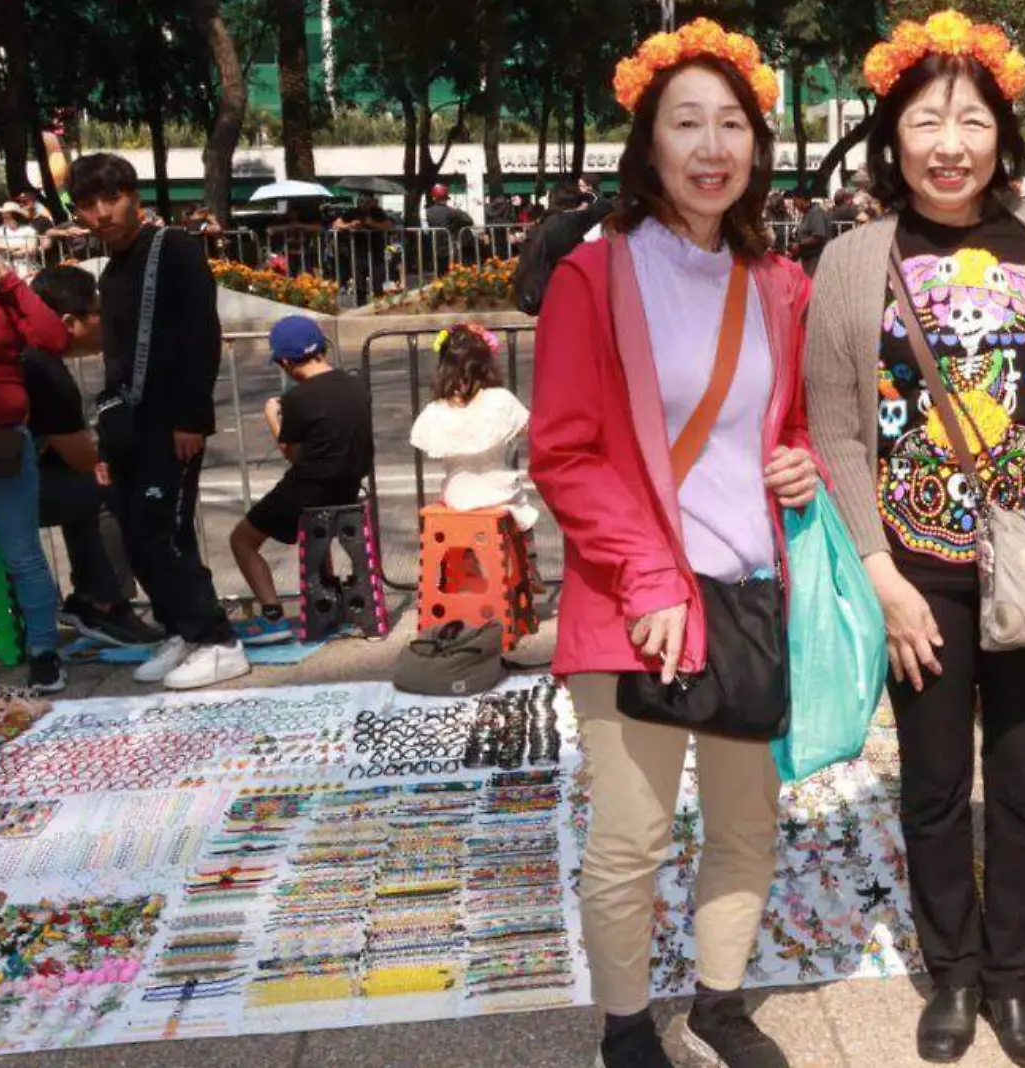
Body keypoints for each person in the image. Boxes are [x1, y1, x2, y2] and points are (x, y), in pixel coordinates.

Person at [805, 13, 1025, 1066]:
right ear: (892, 138)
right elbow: (836, 425)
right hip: (914, 572)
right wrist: (879, 574)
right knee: (934, 788)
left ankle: (1014, 984)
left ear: (1000, 133)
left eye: (969, 120)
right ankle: (953, 973)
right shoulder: (852, 258)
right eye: (926, 122)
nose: (948, 143)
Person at [528, 21, 819, 1068]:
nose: (709, 146)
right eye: (684, 123)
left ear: (755, 145)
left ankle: (720, 1005)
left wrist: (801, 463)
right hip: (630, 606)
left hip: (743, 596)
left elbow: (791, 424)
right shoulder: (593, 276)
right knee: (630, 842)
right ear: (647, 144)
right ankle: (623, 1030)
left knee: (746, 827)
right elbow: (562, 452)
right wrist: (648, 574)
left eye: (729, 124)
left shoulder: (781, 283)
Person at [69, 152, 247, 690]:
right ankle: (184, 629)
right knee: (143, 529)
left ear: (134, 197)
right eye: (88, 204)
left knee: (156, 534)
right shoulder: (116, 266)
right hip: (131, 426)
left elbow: (201, 335)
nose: (101, 213)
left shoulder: (172, 248)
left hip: (173, 421)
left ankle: (218, 640)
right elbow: (118, 356)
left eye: (112, 199)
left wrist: (190, 416)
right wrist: (106, 442)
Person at [24, 265, 163, 648]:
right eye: (97, 311)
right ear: (70, 321)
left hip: (6, 482)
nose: (104, 321)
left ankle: (91, 597)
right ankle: (104, 603)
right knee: (100, 492)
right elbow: (83, 458)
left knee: (82, 487)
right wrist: (97, 462)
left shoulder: (25, 356)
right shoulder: (44, 371)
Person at [229, 316, 373, 646]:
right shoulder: (355, 385)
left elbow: (292, 453)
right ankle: (327, 601)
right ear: (322, 348)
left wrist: (272, 417)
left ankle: (272, 614)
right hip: (348, 486)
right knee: (316, 534)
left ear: (284, 362)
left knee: (242, 540)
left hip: (306, 489)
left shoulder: (297, 399)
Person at [0, 249, 69, 693]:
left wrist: (10, 281)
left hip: (4, 444)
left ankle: (43, 651)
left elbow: (53, 339)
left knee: (22, 553)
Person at [409, 323, 539, 535]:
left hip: (457, 494)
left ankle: (464, 562)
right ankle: (526, 562)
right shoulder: (499, 400)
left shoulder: (435, 411)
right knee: (522, 509)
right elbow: (529, 427)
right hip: (498, 491)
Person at [331, 192, 395, 304]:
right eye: (361, 201)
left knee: (377, 280)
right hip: (358, 251)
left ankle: (378, 304)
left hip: (376, 251)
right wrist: (350, 225)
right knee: (359, 281)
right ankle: (361, 304)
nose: (363, 204)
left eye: (366, 201)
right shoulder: (353, 212)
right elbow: (336, 225)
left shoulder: (377, 212)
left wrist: (372, 223)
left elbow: (388, 225)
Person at [0, 203, 46, 280]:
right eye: (3, 216)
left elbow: (31, 250)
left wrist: (7, 249)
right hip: (7, 272)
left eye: (8, 216)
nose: (4, 218)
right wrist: (18, 247)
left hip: (28, 270)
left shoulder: (29, 230)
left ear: (15, 216)